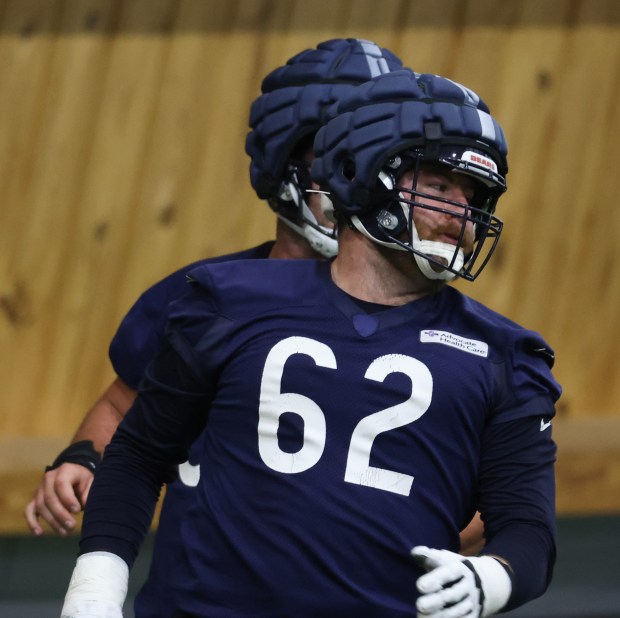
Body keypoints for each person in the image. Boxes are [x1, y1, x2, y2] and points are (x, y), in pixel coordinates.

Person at [60, 68, 560, 617]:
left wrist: (492, 577)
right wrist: (96, 587)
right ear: (362, 175)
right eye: (440, 186)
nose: (462, 215)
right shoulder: (228, 301)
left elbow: (527, 529)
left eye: (476, 196)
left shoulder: (506, 358)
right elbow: (137, 455)